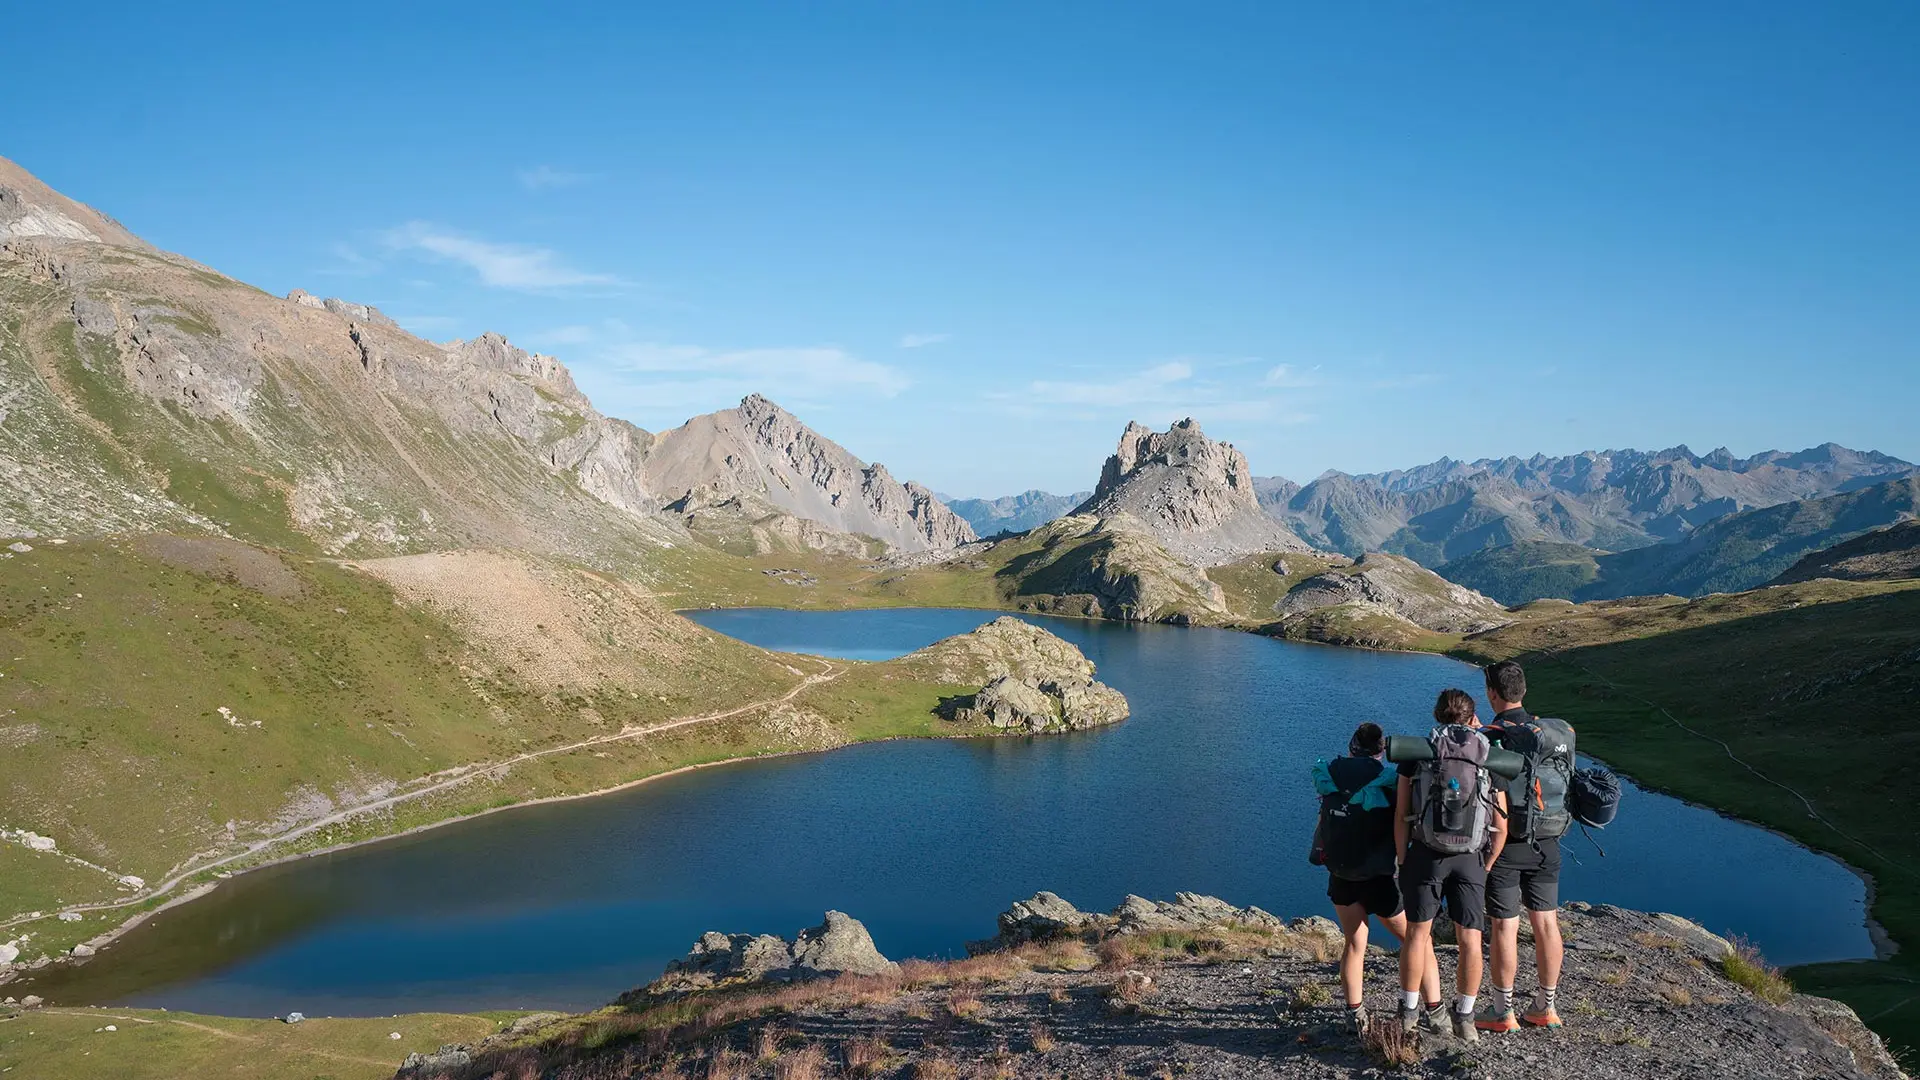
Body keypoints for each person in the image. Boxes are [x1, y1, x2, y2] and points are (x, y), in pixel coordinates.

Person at [1312, 722, 1442, 1036]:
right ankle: (1434, 1012)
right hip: (1381, 875)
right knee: (1417, 940)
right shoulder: (1387, 778)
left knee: (1356, 943)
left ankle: (1355, 1015)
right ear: (1381, 751)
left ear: (1351, 745)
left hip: (1341, 872)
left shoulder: (1329, 771)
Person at [1395, 688, 1508, 1042]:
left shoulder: (1419, 753)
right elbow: (1502, 825)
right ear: (1472, 716)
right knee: (1470, 940)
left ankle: (1409, 1013)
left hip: (1425, 854)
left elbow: (1402, 814)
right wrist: (1485, 864)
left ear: (1437, 714)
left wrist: (1402, 858)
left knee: (1417, 933)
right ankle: (1466, 1017)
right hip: (1470, 859)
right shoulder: (1488, 754)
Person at [1476, 659, 1568, 1033]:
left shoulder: (1491, 735)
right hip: (1548, 840)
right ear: (1523, 691)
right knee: (1547, 922)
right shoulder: (1548, 731)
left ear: (1492, 694)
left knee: (1504, 926)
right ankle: (1545, 1006)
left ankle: (1502, 1011)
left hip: (1508, 843)